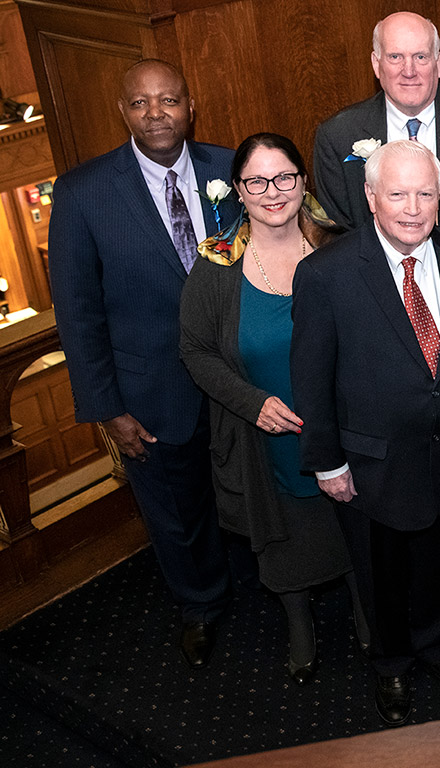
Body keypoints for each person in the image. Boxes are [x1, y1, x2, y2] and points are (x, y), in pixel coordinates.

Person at [49, 59, 240, 668]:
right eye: (140, 103)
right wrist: (107, 407)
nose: (156, 114)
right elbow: (77, 312)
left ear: (191, 105)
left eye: (168, 100)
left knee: (249, 492)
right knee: (176, 514)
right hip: (150, 389)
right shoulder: (83, 192)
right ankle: (200, 606)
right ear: (123, 111)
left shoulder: (232, 168)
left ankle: (276, 584)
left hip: (240, 379)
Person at [291, 140, 440, 728]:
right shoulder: (326, 273)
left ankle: (437, 646)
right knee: (380, 572)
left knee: (439, 561)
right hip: (369, 462)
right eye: (397, 194)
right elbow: (312, 377)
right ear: (371, 198)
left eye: (425, 193)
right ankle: (391, 664)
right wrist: (327, 462)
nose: (412, 207)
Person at [179, 133, 367, 686]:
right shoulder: (216, 268)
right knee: (285, 538)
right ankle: (299, 628)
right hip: (265, 442)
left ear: (303, 182)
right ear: (238, 190)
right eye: (256, 181)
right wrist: (252, 402)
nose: (272, 192)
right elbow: (194, 350)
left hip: (345, 431)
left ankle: (366, 613)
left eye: (284, 177)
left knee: (355, 523)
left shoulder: (341, 248)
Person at [312, 11, 440, 234]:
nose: (409, 71)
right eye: (395, 57)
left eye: (420, 57)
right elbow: (338, 234)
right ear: (376, 64)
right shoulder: (337, 135)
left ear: (438, 63)